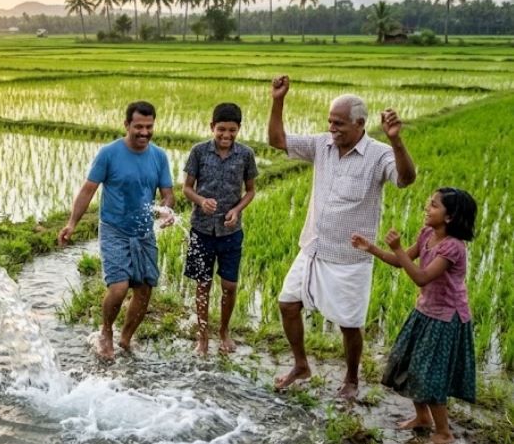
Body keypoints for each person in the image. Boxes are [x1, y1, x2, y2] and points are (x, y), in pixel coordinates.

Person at [268, 75, 416, 400]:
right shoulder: (323, 145)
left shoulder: (378, 155)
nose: (332, 128)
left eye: (339, 123)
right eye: (330, 122)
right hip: (313, 248)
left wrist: (396, 140)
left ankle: (351, 379)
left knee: (349, 324)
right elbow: (278, 140)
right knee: (287, 304)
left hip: (349, 259)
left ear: (360, 124)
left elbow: (405, 179)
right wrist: (278, 99)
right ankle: (301, 365)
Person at [351, 188, 477, 444]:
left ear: (449, 217)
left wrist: (396, 247)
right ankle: (422, 418)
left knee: (430, 375)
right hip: (425, 311)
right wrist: (371, 248)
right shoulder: (427, 234)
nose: (426, 208)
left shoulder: (453, 248)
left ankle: (443, 432)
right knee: (407, 363)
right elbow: (400, 262)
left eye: (433, 205)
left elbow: (421, 276)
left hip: (446, 318)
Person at [58, 101, 175, 360]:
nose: (144, 132)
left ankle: (126, 339)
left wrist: (167, 210)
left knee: (144, 290)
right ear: (127, 125)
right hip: (115, 229)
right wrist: (71, 224)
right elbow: (88, 189)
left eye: (149, 127)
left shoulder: (159, 156)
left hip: (144, 231)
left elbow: (168, 194)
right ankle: (106, 332)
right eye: (138, 127)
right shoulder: (109, 153)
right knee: (120, 287)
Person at [183, 102, 258, 356]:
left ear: (239, 129)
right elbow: (187, 188)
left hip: (230, 231)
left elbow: (250, 191)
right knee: (202, 284)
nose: (226, 135)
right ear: (212, 127)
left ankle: (224, 331)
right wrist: (200, 201)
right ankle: (202, 336)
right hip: (201, 229)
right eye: (221, 130)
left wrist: (236, 211)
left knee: (229, 285)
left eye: (232, 130)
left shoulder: (246, 154)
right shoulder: (199, 152)